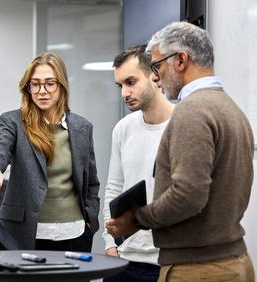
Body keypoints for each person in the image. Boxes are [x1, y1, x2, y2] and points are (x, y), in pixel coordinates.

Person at [106, 21, 255, 282]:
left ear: (181, 60)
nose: (157, 76)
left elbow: (188, 195)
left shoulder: (192, 112)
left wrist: (138, 219)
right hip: (231, 261)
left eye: (158, 66)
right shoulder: (232, 109)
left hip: (198, 269)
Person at [0, 52, 100, 252]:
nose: (41, 91)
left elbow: (91, 183)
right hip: (25, 233)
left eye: (49, 83)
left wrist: (90, 218)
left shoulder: (82, 128)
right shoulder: (14, 122)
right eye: (34, 84)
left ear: (61, 86)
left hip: (74, 233)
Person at [102, 45, 174, 282]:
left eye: (131, 82)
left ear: (155, 75)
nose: (124, 92)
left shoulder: (183, 124)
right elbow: (113, 188)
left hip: (167, 262)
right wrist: (110, 244)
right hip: (123, 259)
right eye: (120, 85)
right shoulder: (123, 128)